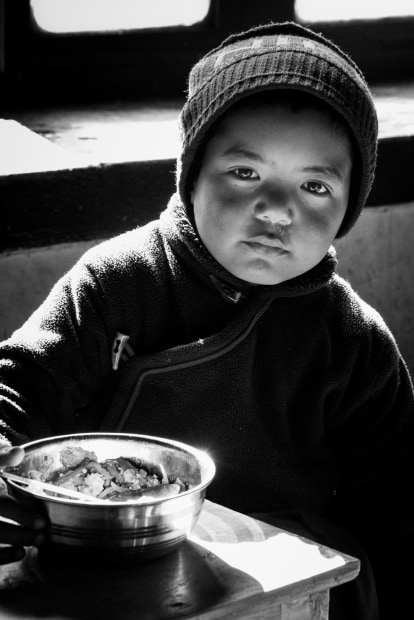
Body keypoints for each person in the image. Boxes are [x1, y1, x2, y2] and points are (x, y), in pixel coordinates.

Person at [0, 20, 413, 618]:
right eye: (245, 173)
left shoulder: (353, 340)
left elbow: (398, 508)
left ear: (350, 204)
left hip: (290, 585)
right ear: (193, 175)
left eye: (315, 185)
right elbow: (17, 386)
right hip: (113, 566)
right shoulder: (117, 283)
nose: (276, 209)